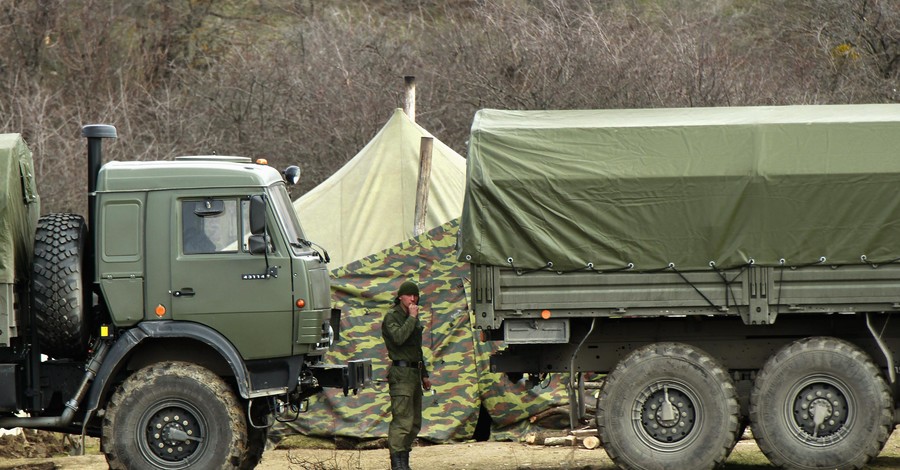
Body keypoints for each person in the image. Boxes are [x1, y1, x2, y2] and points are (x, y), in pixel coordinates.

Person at [382, 280, 431, 470]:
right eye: (410, 295)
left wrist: (424, 374)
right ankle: (397, 464)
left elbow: (416, 349)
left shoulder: (413, 316)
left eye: (416, 295)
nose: (413, 298)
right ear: (400, 296)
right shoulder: (392, 316)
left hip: (414, 372)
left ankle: (404, 461)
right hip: (401, 373)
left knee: (414, 422)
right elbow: (399, 338)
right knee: (402, 421)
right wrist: (411, 318)